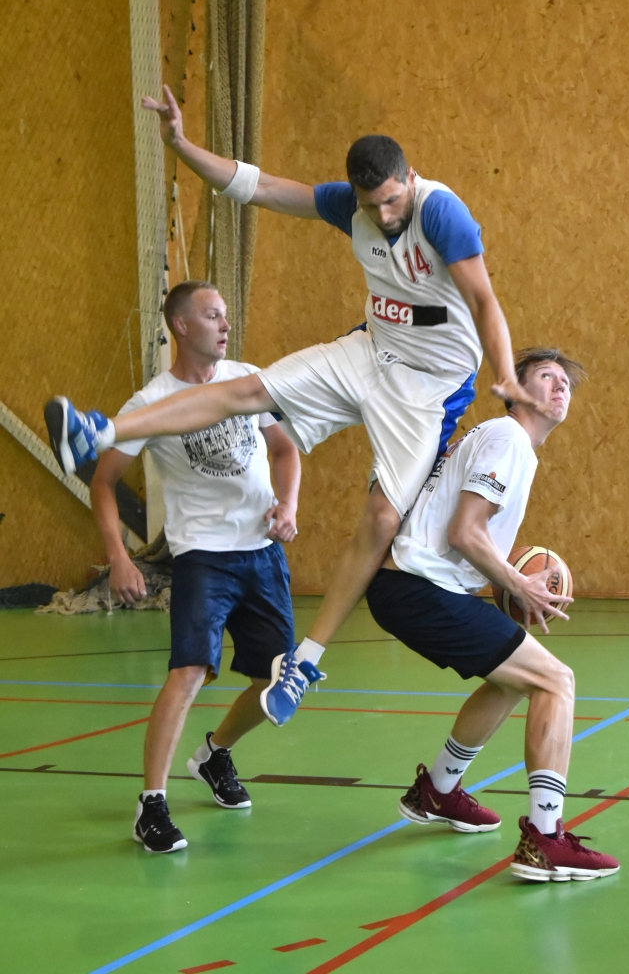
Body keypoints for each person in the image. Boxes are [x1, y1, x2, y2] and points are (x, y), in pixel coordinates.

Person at [46, 85, 548, 730]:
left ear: (410, 179)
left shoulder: (440, 212)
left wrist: (503, 369)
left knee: (381, 518)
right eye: (371, 203)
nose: (383, 213)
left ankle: (305, 661)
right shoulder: (350, 207)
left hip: (429, 388)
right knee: (247, 392)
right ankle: (97, 432)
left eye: (392, 199)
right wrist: (181, 144)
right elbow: (258, 186)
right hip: (370, 350)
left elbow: (483, 301)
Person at [365, 348, 620, 882]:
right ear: (517, 392)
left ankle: (438, 789)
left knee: (513, 679)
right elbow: (465, 531)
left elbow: (461, 532)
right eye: (546, 377)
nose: (561, 387)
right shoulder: (508, 439)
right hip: (417, 587)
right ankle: (545, 840)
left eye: (566, 382)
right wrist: (517, 583)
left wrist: (509, 581)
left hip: (410, 587)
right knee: (555, 681)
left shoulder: (501, 440)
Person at [90, 280, 301, 853]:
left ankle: (215, 754)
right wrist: (118, 557)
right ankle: (151, 804)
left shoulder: (246, 378)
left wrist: (288, 505)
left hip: (262, 552)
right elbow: (103, 482)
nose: (225, 325)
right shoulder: (151, 403)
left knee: (276, 680)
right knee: (188, 672)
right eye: (212, 316)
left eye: (225, 315)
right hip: (203, 556)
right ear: (181, 326)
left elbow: (285, 449)